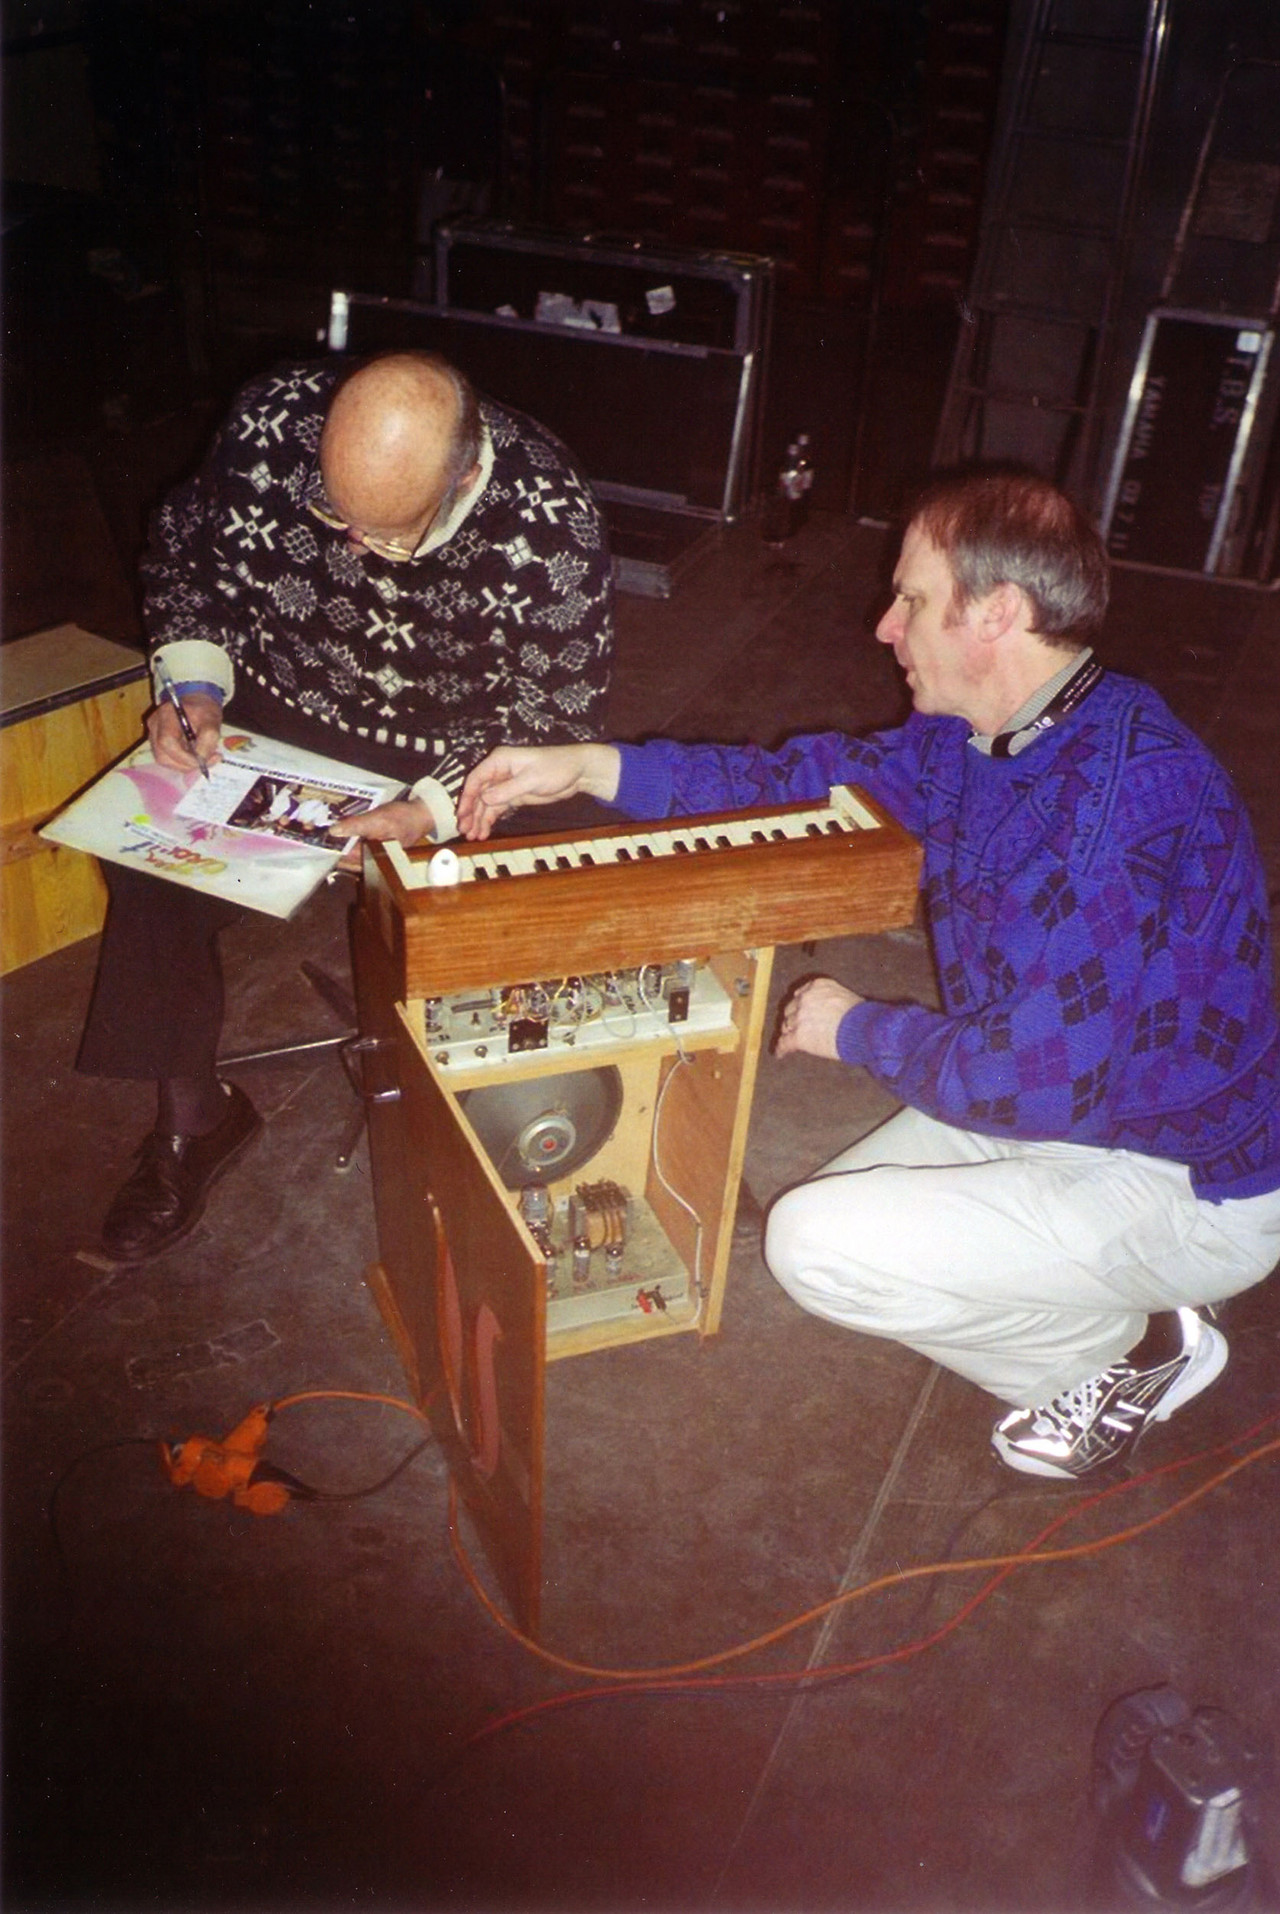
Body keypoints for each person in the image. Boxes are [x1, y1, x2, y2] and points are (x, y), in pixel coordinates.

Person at [455, 470, 1280, 1479]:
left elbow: (1030, 1080)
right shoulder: (1006, 729)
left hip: (1187, 1177)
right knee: (852, 1205)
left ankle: (1123, 1357)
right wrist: (589, 768)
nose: (883, 626)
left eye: (912, 601)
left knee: (814, 1244)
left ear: (998, 614)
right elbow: (800, 782)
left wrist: (853, 1027)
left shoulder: (1106, 812)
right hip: (1095, 1107)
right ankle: (1106, 1286)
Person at [83, 350, 614, 1261]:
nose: (353, 550)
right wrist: (197, 687)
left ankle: (492, 1122)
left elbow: (556, 714)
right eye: (334, 515)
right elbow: (185, 554)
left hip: (459, 752)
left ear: (461, 477)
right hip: (284, 714)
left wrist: (432, 809)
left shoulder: (550, 518)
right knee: (148, 849)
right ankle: (194, 1118)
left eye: (388, 535)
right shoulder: (270, 420)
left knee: (558, 871)